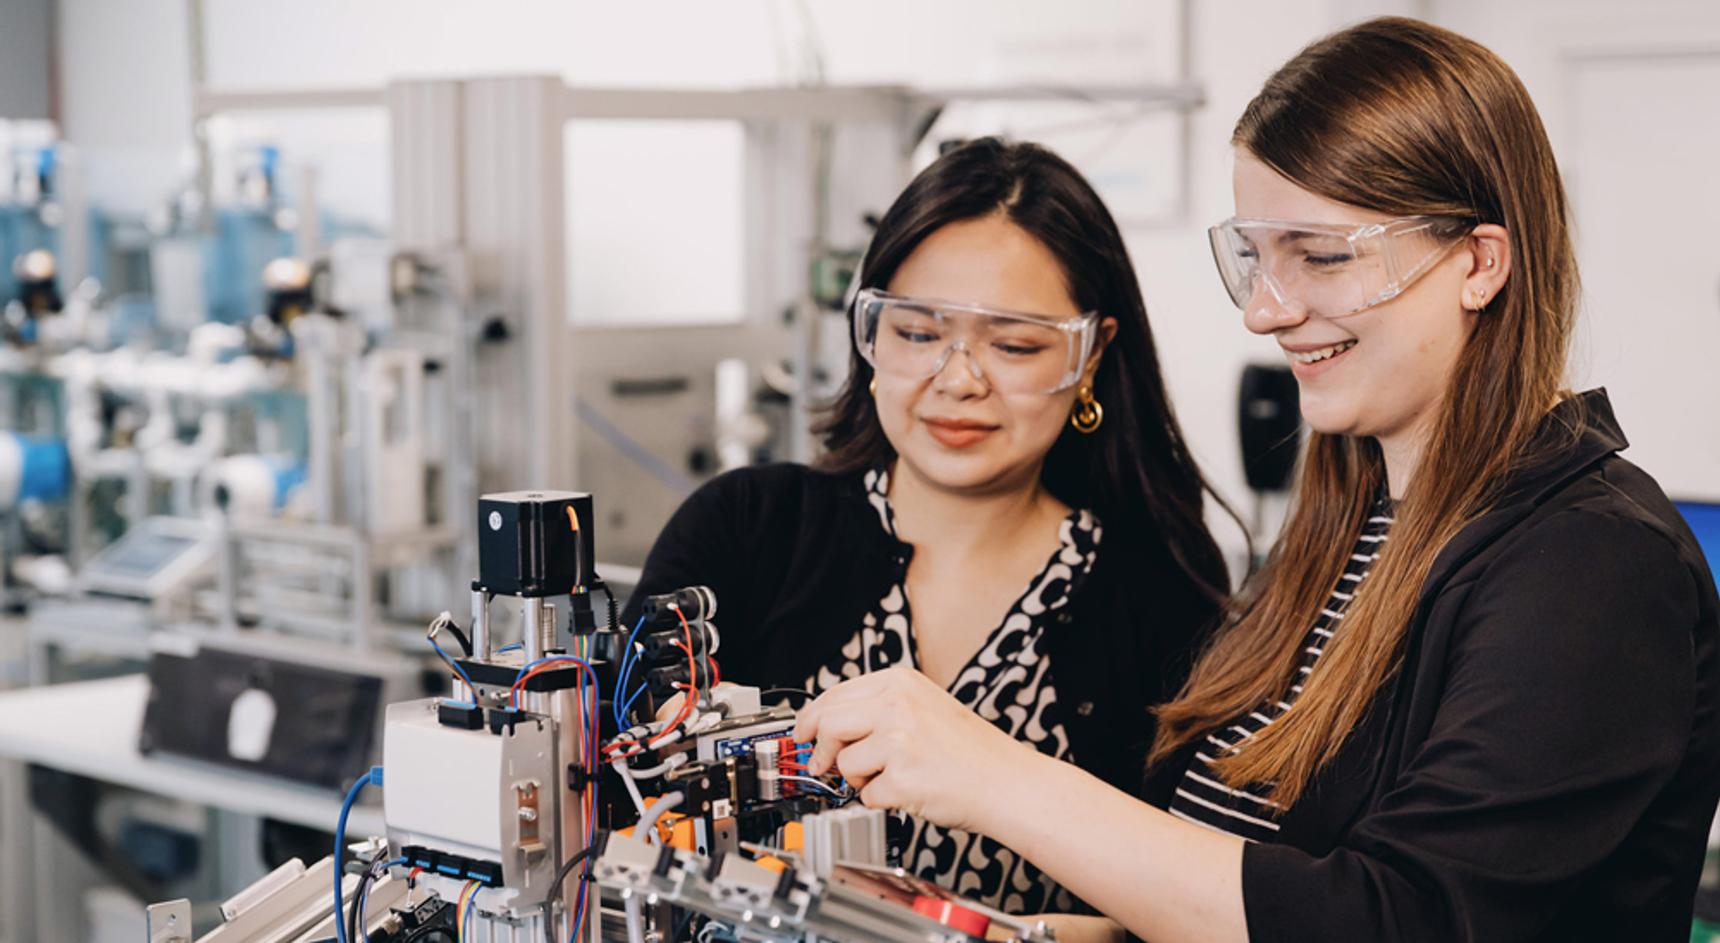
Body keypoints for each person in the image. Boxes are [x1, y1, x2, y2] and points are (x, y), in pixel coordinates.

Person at [793, 17, 1720, 943]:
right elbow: (1235, 892)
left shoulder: (1593, 563)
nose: (1267, 312)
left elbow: (1400, 920)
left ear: (1479, 262)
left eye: (1320, 256)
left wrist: (992, 775)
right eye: (1255, 258)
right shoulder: (1351, 527)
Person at [623, 137, 1232, 915]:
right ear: (870, 335)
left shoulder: (1163, 594)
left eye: (1014, 344)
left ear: (1090, 356)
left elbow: (1194, 901)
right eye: (916, 334)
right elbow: (618, 805)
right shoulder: (745, 531)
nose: (959, 380)